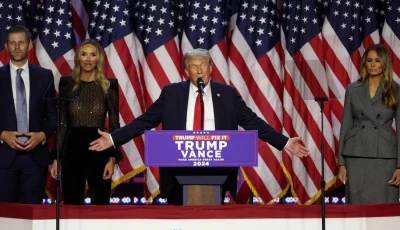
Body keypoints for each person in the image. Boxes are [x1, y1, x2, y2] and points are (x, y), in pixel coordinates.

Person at [89, 48, 309, 205]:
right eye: (194, 67)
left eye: (204, 65)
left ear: (211, 68)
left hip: (218, 170)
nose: (200, 70)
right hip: (178, 170)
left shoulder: (228, 95)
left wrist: (285, 142)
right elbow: (145, 121)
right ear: (187, 72)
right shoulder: (172, 93)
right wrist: (113, 138)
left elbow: (253, 122)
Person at [50, 39, 122, 205]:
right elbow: (62, 124)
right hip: (72, 148)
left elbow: (114, 125)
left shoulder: (108, 86)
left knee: (100, 202)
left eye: (92, 55)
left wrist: (112, 158)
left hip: (99, 146)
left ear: (98, 59)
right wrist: (57, 157)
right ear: (78, 58)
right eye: (84, 54)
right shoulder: (66, 85)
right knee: (71, 201)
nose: (88, 59)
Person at [0, 25, 57, 204]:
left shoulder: (45, 76)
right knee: (5, 217)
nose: (17, 47)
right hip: (4, 159)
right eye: (12, 43)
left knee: (31, 217)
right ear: (6, 46)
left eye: (21, 42)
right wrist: (2, 134)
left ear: (29, 45)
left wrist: (42, 135)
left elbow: (53, 116)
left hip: (35, 159)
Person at [337, 44, 400, 204]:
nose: (372, 64)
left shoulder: (395, 90)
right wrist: (341, 162)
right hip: (356, 155)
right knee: (357, 209)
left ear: (384, 63)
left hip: (385, 157)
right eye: (369, 60)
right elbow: (345, 127)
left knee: (383, 209)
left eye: (377, 61)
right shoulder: (353, 89)